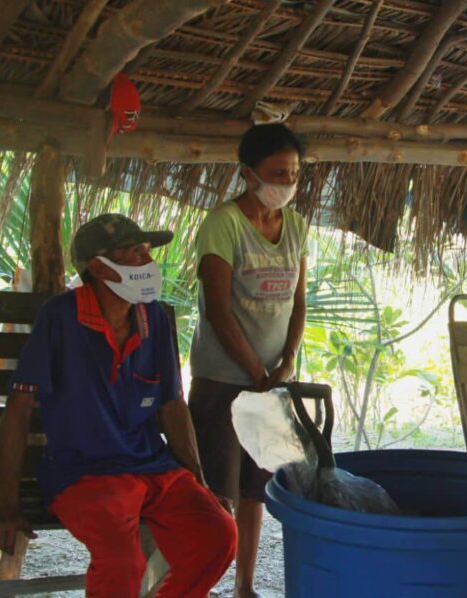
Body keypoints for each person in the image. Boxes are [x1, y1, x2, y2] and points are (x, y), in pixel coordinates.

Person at [0, 214, 237, 598]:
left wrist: (199, 484)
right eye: (136, 252)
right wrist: (7, 505)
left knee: (217, 534)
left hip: (152, 467)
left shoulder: (154, 317)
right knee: (122, 562)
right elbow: (18, 410)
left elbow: (172, 404)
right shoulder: (60, 318)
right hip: (83, 475)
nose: (149, 261)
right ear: (101, 268)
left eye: (148, 251)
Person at [189, 123, 308, 598]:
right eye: (277, 173)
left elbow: (299, 303)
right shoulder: (223, 224)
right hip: (222, 379)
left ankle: (244, 586)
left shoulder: (296, 227)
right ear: (248, 173)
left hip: (271, 382)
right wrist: (255, 372)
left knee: (256, 490)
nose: (287, 182)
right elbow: (218, 310)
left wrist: (287, 362)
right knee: (217, 491)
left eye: (294, 173)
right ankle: (198, 583)